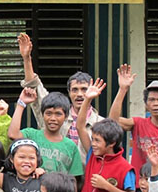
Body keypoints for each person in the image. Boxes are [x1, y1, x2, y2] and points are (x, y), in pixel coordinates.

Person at [18, 33, 103, 165]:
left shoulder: (100, 123)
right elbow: (33, 85)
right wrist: (26, 58)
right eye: (75, 90)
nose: (80, 94)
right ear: (69, 93)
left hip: (86, 180)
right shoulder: (57, 114)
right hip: (54, 179)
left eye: (84, 89)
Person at [109, 64, 158, 187]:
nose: (156, 104)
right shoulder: (138, 123)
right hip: (140, 186)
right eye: (151, 100)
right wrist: (123, 89)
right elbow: (113, 121)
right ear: (146, 104)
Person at [8, 86, 83, 192]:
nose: (53, 118)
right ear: (42, 115)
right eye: (48, 113)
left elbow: (72, 182)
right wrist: (21, 103)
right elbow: (13, 134)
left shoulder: (71, 146)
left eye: (58, 114)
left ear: (66, 117)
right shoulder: (32, 135)